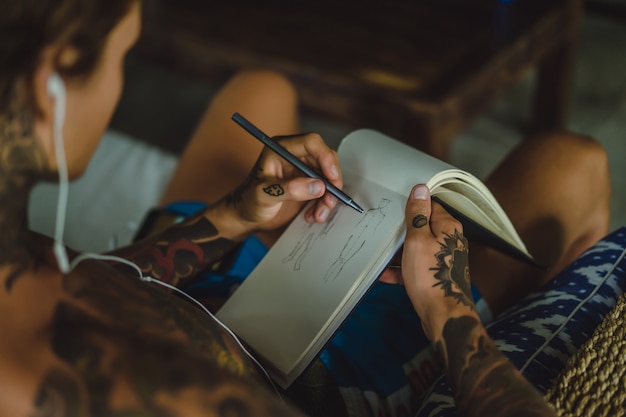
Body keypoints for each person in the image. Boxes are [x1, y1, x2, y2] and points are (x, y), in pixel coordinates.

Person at [0, 1, 612, 417]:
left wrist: (232, 217)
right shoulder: (169, 392)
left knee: (261, 88)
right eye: (121, 57)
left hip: (198, 295)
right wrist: (449, 312)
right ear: (49, 83)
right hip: (322, 372)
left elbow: (104, 283)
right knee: (573, 164)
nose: (116, 88)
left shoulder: (18, 256)